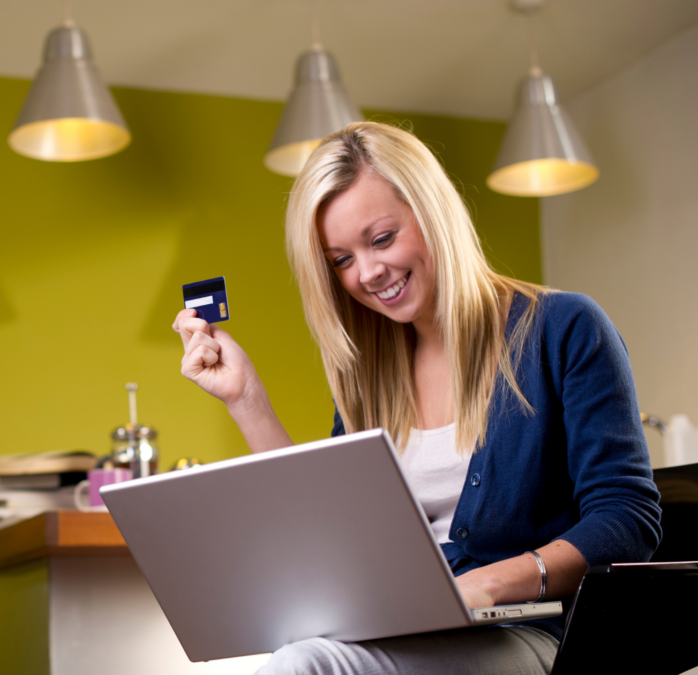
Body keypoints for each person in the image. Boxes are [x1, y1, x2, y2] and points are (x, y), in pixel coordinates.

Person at [172, 122, 661, 674]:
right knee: (299, 659)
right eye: (341, 260)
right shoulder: (369, 374)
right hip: (400, 637)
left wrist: (486, 585)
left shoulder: (563, 328)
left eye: (381, 238)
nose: (369, 272)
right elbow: (331, 538)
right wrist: (246, 399)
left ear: (433, 211)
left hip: (528, 636)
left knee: (306, 667)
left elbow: (627, 519)